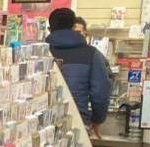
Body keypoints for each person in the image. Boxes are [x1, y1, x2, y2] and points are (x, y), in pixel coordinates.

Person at [46, 8, 111, 137]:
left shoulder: (40, 53)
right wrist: (97, 119)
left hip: (44, 123)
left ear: (49, 28)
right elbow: (100, 93)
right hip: (78, 122)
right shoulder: (92, 54)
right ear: (73, 26)